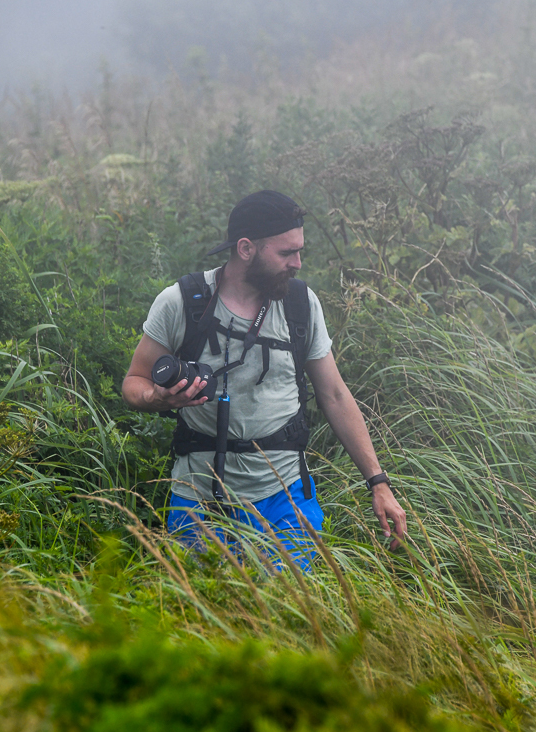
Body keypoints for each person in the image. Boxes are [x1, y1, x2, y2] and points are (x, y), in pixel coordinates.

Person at [122, 190, 406, 570]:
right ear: (245, 249)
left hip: (286, 497)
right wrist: (157, 398)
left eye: (300, 251)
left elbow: (335, 395)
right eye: (286, 253)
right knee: (201, 620)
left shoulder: (300, 305)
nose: (298, 263)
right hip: (198, 496)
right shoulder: (183, 302)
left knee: (289, 619)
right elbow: (134, 382)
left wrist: (379, 483)